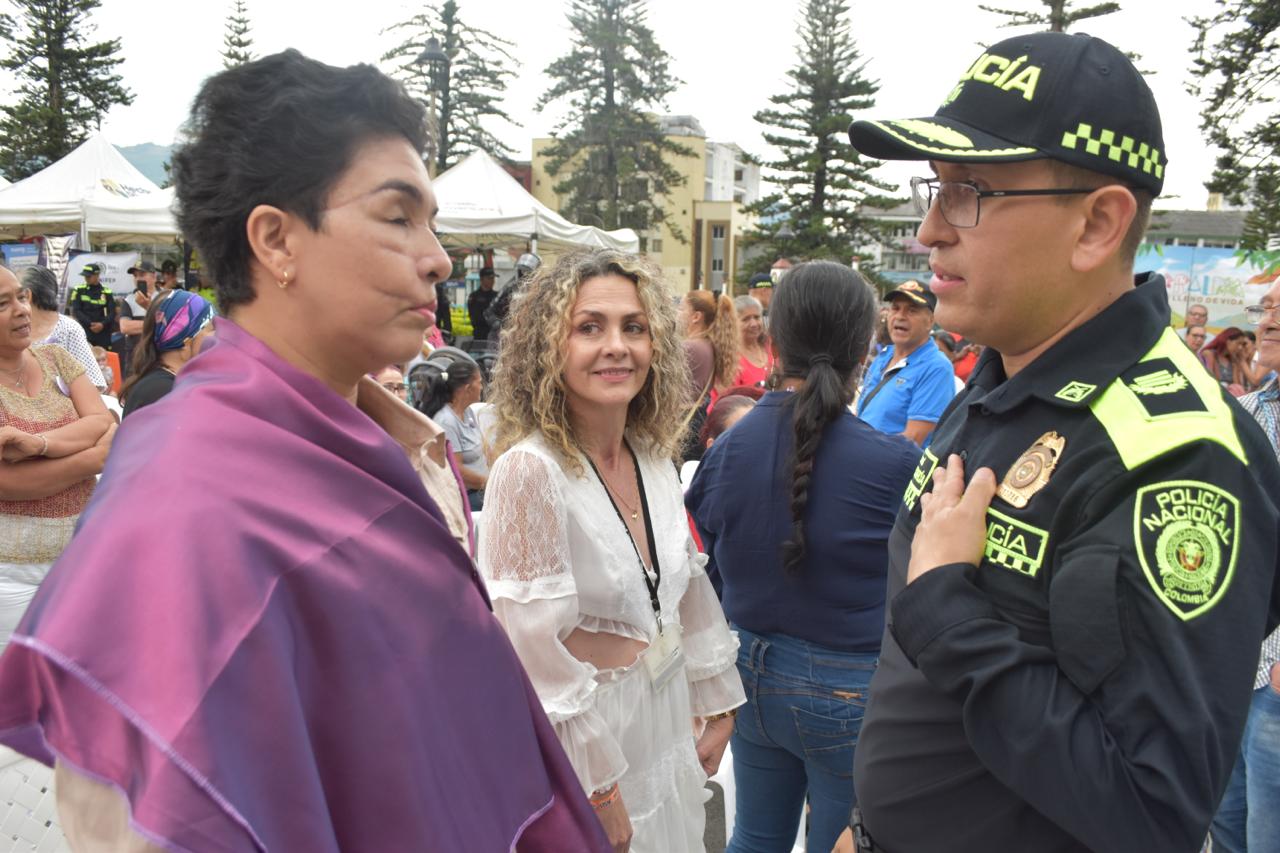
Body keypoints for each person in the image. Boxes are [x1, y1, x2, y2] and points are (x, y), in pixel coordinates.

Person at [0, 50, 608, 853]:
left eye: (431, 221)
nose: (438, 256)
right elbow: (149, 815)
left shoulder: (391, 445)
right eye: (398, 216)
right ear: (276, 239)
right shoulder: (187, 497)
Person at [840, 31, 1280, 853]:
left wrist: (948, 612)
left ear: (1097, 224)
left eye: (969, 191)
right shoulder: (1004, 373)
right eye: (931, 190)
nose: (928, 230)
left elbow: (1153, 813)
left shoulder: (1179, 456)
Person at [480, 248, 745, 853]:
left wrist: (718, 703)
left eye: (634, 327)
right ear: (548, 348)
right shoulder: (530, 472)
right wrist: (595, 789)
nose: (617, 346)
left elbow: (687, 588)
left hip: (665, 719)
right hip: (594, 744)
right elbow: (526, 650)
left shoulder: (651, 458)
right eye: (588, 327)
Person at [686, 262, 919, 853]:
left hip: (750, 672)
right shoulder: (894, 465)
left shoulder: (725, 450)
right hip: (847, 684)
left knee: (755, 837)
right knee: (842, 842)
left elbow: (711, 561)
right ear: (863, 348)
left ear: (776, 340)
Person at [0, 267, 114, 649]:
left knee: (78, 686)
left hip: (81, 562)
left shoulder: (57, 358)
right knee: (14, 699)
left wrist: (39, 446)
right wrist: (92, 458)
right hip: (9, 578)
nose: (21, 310)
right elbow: (11, 485)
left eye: (22, 296)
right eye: (4, 303)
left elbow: (103, 420)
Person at [1209, 285, 1280, 853]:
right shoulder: (1249, 410)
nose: (1268, 318)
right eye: (1265, 308)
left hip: (1275, 681)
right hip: (1234, 667)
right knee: (1226, 827)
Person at [856, 280, 956, 446]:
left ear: (931, 320)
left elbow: (913, 439)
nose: (900, 316)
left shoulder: (936, 367)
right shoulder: (883, 357)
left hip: (891, 468)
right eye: (895, 308)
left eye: (912, 310)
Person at [118, 289, 216, 419]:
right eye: (211, 329)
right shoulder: (161, 392)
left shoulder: (169, 384)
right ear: (186, 340)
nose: (217, 336)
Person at [417, 353, 488, 511]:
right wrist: (490, 483)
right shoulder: (446, 421)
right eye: (480, 383)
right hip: (467, 495)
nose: (482, 387)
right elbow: (458, 470)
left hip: (480, 489)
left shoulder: (468, 412)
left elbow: (483, 449)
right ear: (468, 388)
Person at [19, 266, 106, 391]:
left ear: (27, 295)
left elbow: (93, 384)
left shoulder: (68, 329)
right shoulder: (12, 329)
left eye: (16, 293)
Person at [679, 289, 738, 461]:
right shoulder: (707, 345)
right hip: (697, 420)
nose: (677, 314)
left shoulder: (691, 347)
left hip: (684, 424)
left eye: (682, 309)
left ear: (696, 316)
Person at [66, 262, 117, 349]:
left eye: (89, 276)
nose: (86, 278)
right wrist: (90, 323)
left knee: (105, 358)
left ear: (97, 275)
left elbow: (112, 312)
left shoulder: (107, 291)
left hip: (103, 332)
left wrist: (102, 324)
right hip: (85, 330)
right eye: (85, 276)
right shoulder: (79, 290)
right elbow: (76, 310)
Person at [732, 294, 773, 388]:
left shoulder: (771, 345)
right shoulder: (731, 360)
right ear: (733, 323)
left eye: (757, 317)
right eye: (746, 319)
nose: (754, 324)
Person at [1200, 326, 1254, 396]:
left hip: (1231, 396)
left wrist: (1239, 361)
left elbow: (1238, 385)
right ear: (1228, 341)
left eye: (1242, 344)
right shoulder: (1210, 354)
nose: (1240, 347)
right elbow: (1211, 379)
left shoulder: (1233, 359)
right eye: (1238, 343)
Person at [468, 265, 499, 342]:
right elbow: (474, 318)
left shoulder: (497, 296)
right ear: (482, 279)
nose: (492, 281)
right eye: (489, 278)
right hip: (480, 336)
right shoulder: (474, 297)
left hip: (495, 336)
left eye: (493, 278)